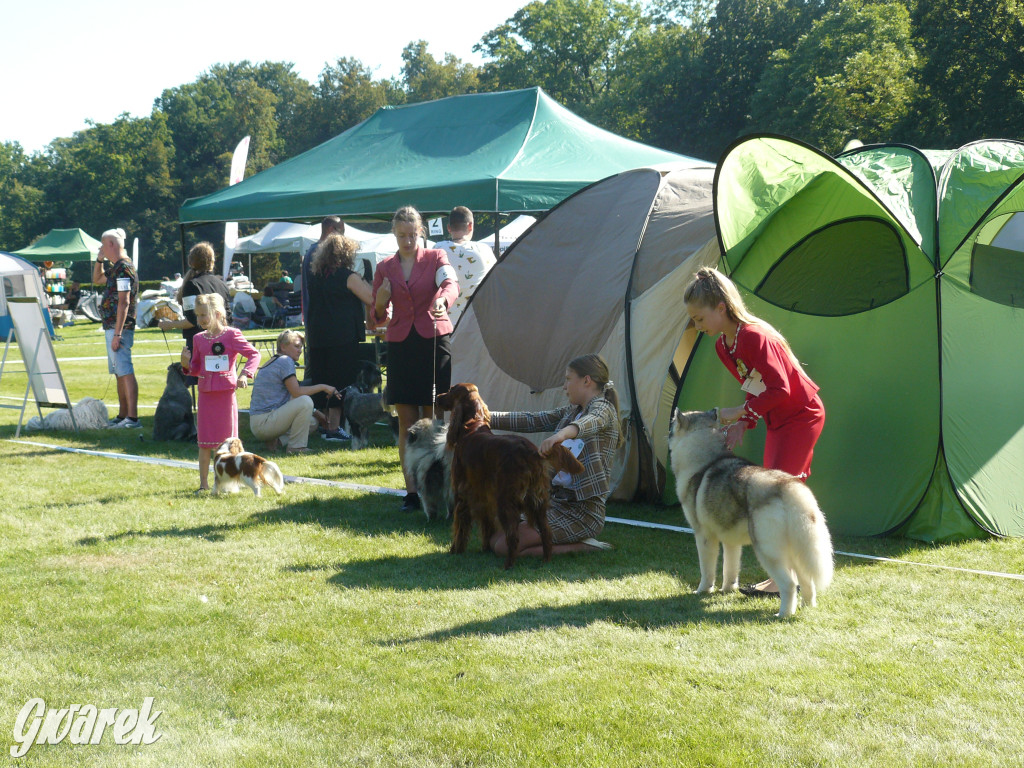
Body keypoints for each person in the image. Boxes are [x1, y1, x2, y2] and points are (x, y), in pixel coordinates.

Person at [683, 266, 825, 597]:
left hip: (801, 416)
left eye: (700, 319)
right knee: (775, 493)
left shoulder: (754, 336)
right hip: (779, 420)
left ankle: (789, 580)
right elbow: (755, 386)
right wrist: (743, 424)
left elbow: (781, 390)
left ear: (720, 308)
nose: (697, 326)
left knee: (780, 495)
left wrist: (739, 414)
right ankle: (787, 576)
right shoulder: (724, 346)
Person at [488, 354, 621, 558]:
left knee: (505, 546)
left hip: (584, 514)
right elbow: (533, 420)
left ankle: (588, 546)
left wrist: (561, 434)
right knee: (495, 538)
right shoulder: (572, 411)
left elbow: (590, 422)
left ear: (586, 380)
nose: (564, 386)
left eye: (568, 379)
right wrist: (485, 417)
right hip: (556, 504)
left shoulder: (604, 409)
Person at [371, 206, 460, 511]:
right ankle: (411, 492)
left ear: (421, 232)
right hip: (401, 345)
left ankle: (440, 485)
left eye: (412, 234)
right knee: (407, 422)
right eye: (401, 235)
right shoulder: (384, 267)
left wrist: (441, 301)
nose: (407, 241)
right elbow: (377, 315)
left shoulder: (436, 257)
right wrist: (381, 301)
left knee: (435, 417)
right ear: (394, 234)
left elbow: (451, 284)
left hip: (434, 339)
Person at [181, 293, 261, 493]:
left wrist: (245, 374)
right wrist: (185, 365)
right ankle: (204, 484)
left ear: (217, 314)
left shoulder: (232, 335)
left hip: (225, 395)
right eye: (197, 316)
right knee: (204, 443)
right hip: (206, 395)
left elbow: (254, 354)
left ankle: (234, 482)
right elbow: (197, 368)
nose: (199, 320)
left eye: (203, 315)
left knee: (230, 442)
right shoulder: (198, 339)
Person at [308, 233, 375, 441]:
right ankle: (334, 428)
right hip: (341, 337)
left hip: (318, 336)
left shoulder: (315, 276)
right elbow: (370, 297)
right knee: (340, 380)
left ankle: (325, 424)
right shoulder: (349, 276)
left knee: (322, 378)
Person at [249, 330, 339, 454]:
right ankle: (296, 448)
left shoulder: (276, 361)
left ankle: (277, 442)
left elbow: (291, 397)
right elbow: (297, 393)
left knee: (312, 422)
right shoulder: (285, 360)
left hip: (260, 424)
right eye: (296, 346)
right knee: (305, 400)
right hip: (264, 423)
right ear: (283, 347)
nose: (300, 350)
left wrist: (317, 414)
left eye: (301, 347)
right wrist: (323, 387)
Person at [92, 227, 141, 429]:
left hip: (119, 327)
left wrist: (118, 333)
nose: (101, 248)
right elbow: (97, 279)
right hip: (113, 326)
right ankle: (123, 415)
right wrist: (99, 260)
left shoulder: (123, 268)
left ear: (111, 244)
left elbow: (124, 302)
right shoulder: (117, 267)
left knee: (124, 370)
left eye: (103, 245)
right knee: (119, 371)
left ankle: (132, 417)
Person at [158, 242, 231, 357]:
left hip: (200, 345)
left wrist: (170, 324)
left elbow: (192, 321)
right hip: (222, 343)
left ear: (191, 261)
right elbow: (228, 317)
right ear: (212, 261)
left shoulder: (192, 285)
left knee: (195, 374)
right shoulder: (222, 284)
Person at [432, 206, 496, 328]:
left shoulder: (437, 249)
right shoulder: (483, 250)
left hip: (443, 325)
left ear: (449, 228)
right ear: (470, 226)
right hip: (475, 326)